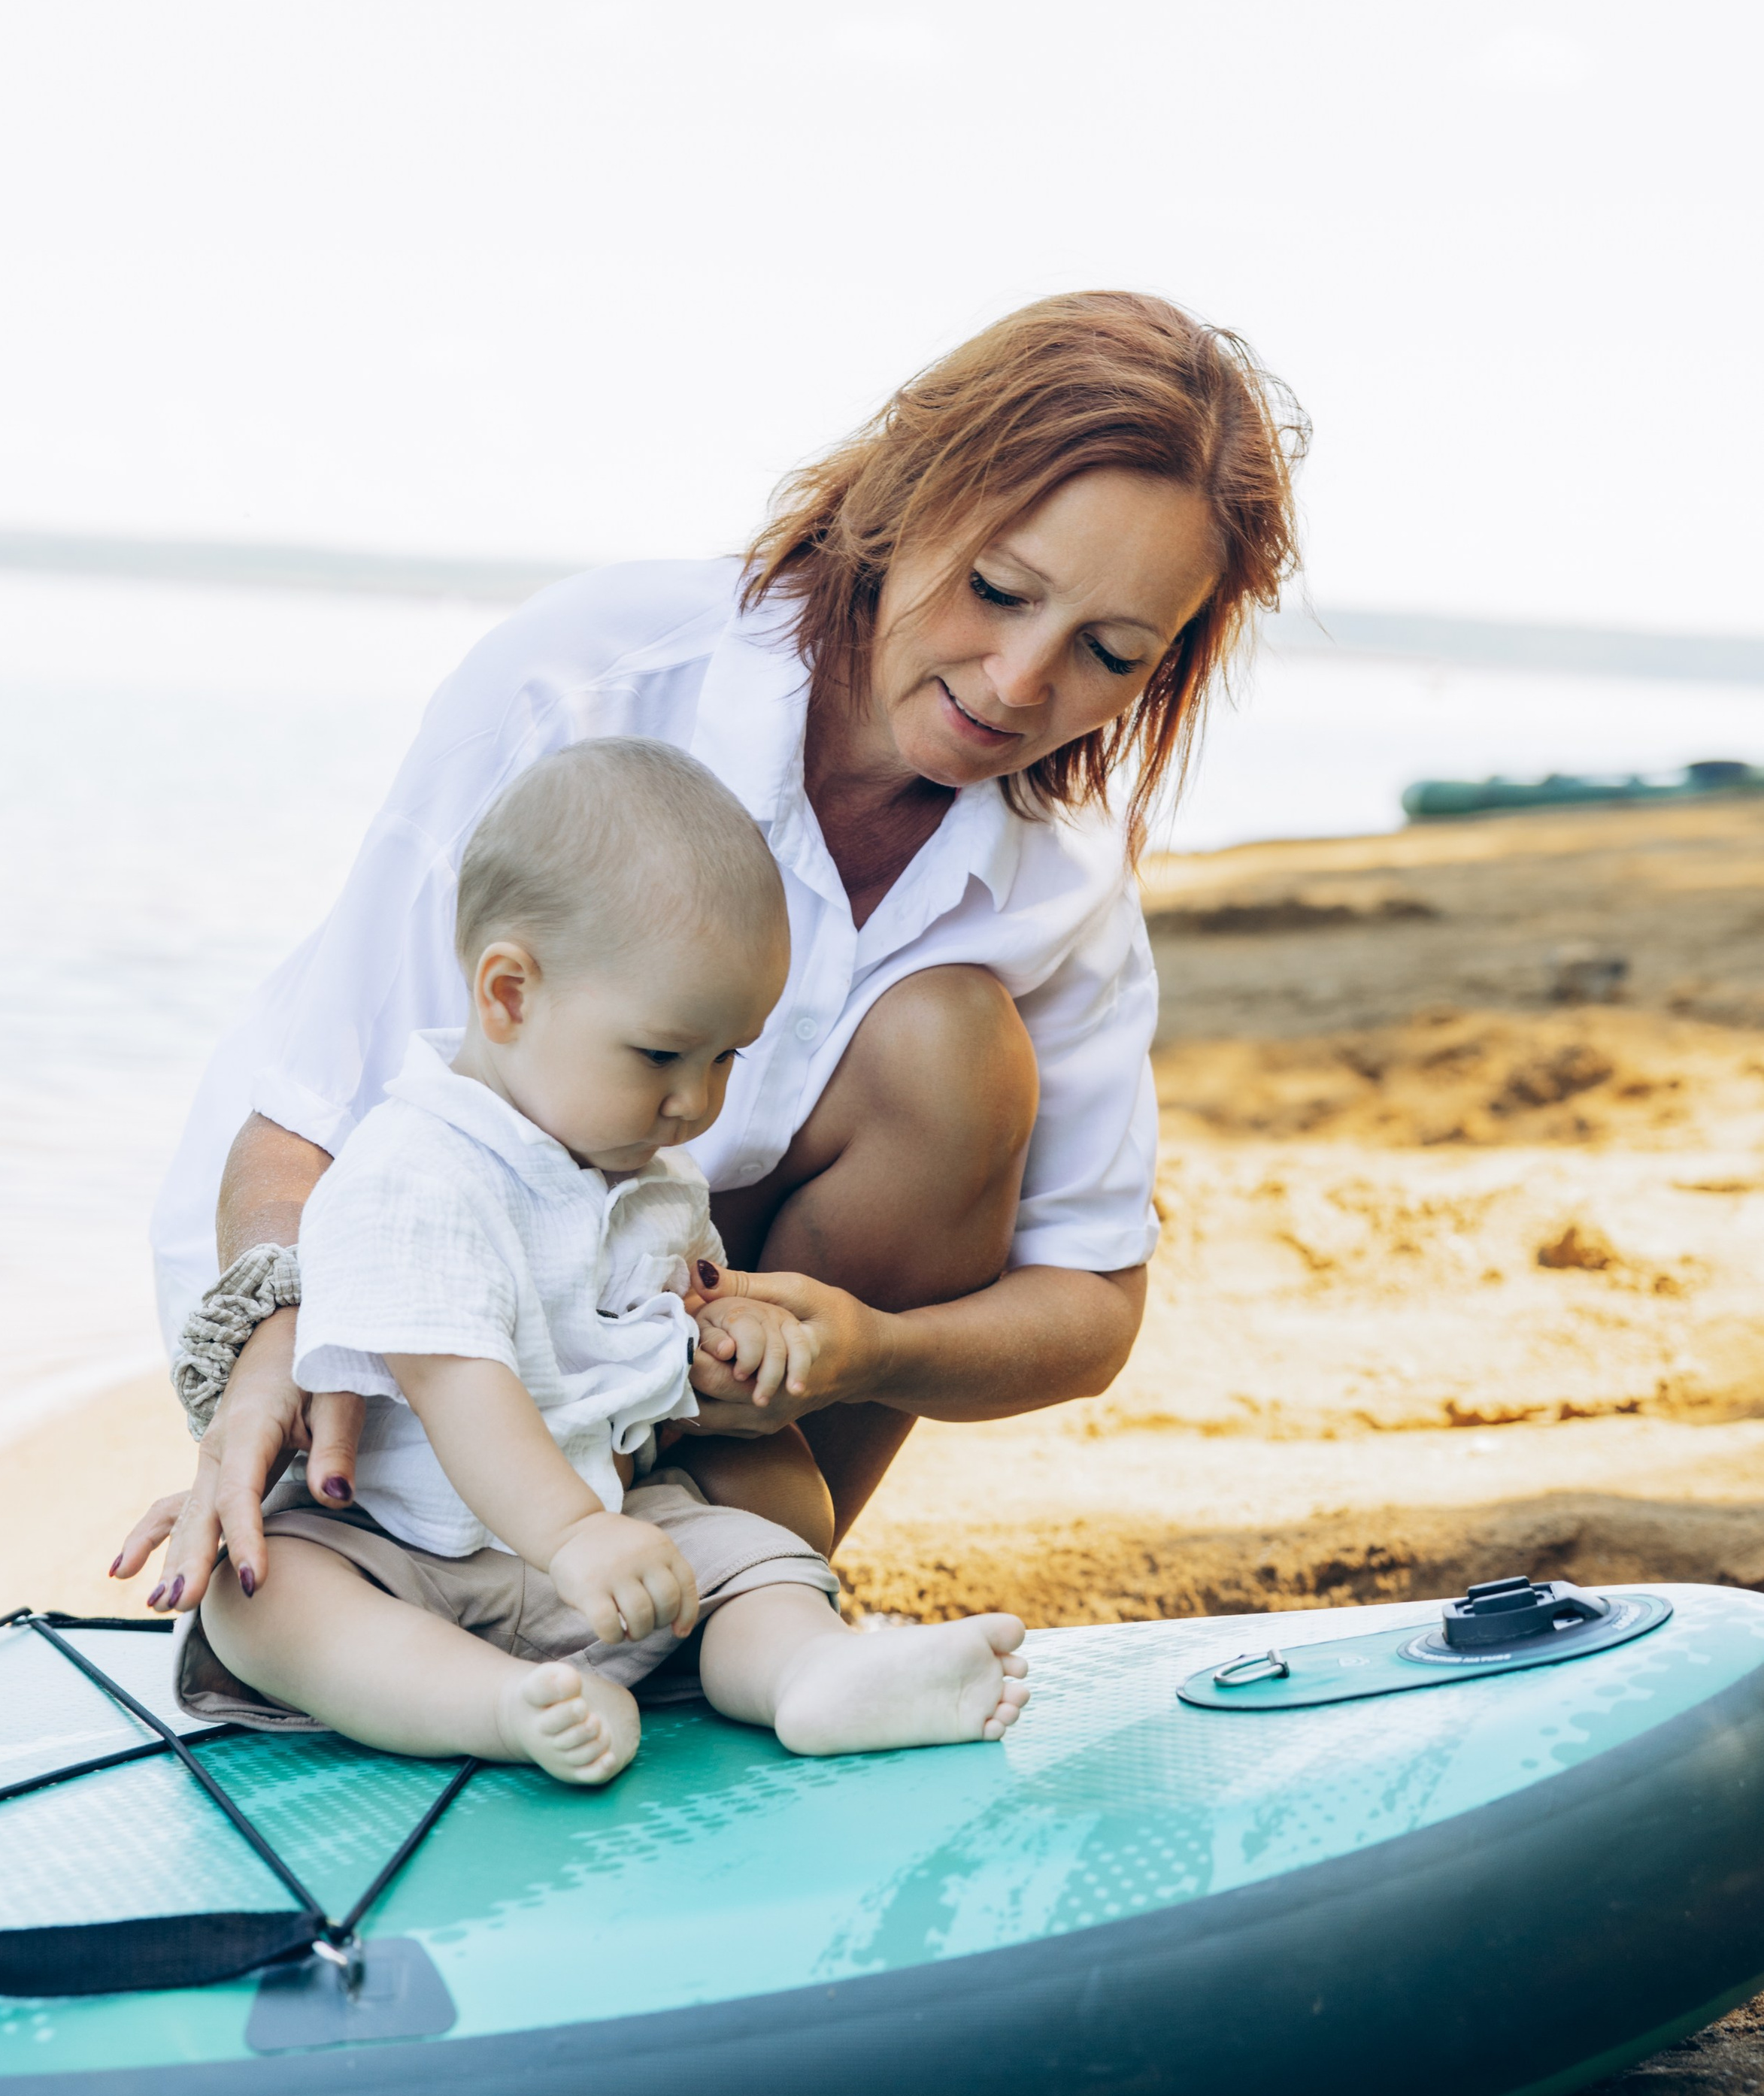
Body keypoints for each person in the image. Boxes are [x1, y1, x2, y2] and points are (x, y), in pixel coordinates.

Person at [116, 289, 1304, 1613]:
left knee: (954, 1048)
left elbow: (1092, 1306)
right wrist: (274, 1346)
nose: (1022, 681)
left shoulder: (1062, 870)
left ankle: (739, 1591)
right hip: (403, 1278)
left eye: (1110, 653)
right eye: (997, 590)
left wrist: (871, 1351)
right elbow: (304, 1117)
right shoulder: (587, 677)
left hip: (677, 1330)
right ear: (905, 490)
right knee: (322, 1602)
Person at [172, 739, 1029, 1777]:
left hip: (609, 1538)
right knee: (265, 1598)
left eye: (727, 1057)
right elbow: (456, 1384)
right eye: (662, 1055)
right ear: (508, 994)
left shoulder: (651, 1175)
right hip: (404, 1548)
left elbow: (664, 1324)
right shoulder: (414, 1168)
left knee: (760, 1563)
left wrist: (728, 1335)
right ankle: (495, 1705)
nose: (696, 1100)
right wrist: (572, 1533)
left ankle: (810, 1676)